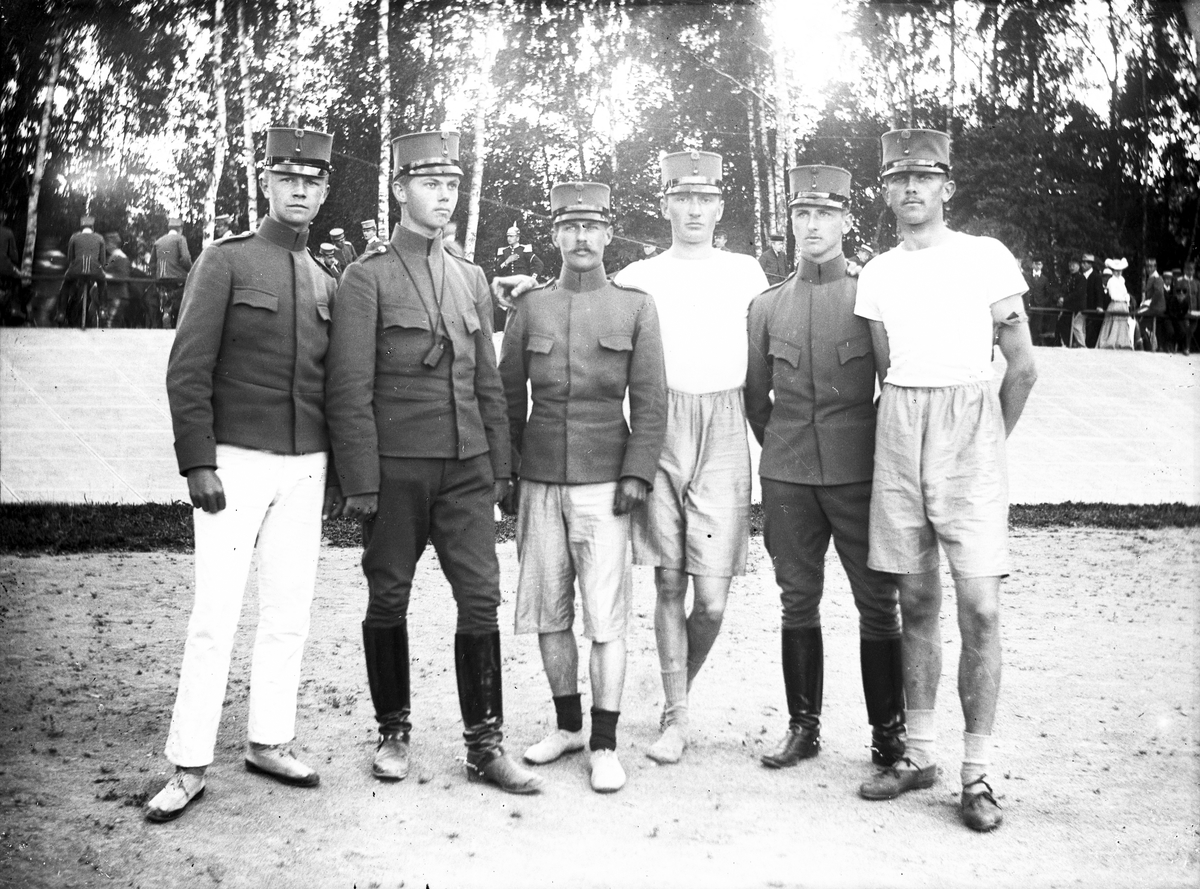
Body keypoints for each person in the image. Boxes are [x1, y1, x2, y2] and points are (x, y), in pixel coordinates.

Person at [493, 150, 770, 765]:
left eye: (705, 199)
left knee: (712, 598)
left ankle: (671, 694)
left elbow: (769, 336)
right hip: (651, 431)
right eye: (683, 198)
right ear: (666, 205)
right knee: (666, 580)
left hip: (722, 422)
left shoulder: (746, 272)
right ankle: (671, 715)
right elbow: (575, 298)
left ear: (719, 206)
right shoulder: (641, 277)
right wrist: (518, 287)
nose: (694, 209)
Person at [325, 129, 542, 795]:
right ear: (400, 190)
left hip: (467, 467)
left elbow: (486, 381)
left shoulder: (471, 278)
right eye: (429, 184)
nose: (443, 196)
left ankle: (485, 745)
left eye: (451, 185)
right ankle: (393, 731)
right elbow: (349, 388)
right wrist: (361, 479)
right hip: (398, 469)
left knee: (480, 596)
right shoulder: (366, 277)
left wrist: (500, 466)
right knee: (389, 593)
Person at [146, 126, 340, 823]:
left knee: (289, 611)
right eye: (287, 178)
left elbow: (332, 383)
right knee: (216, 614)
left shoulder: (325, 277)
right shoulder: (224, 260)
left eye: (311, 181)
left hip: (306, 464)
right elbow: (188, 366)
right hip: (234, 462)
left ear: (324, 190)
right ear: (266, 183)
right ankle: (189, 762)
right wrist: (198, 460)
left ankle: (268, 739)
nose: (299, 190)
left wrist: (336, 471)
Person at [853, 128, 1037, 833]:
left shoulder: (986, 256)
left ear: (946, 187)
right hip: (902, 422)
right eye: (898, 179)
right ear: (886, 191)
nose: (910, 188)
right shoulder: (877, 272)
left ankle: (977, 773)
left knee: (980, 608)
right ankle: (921, 755)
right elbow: (886, 369)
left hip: (971, 428)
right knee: (917, 598)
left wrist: (986, 446)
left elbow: (1022, 368)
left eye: (924, 177)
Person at [499, 181, 667, 793]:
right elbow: (505, 396)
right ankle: (568, 726)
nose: (581, 238)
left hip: (607, 483)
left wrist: (637, 473)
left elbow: (650, 400)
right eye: (569, 227)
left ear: (608, 234)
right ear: (554, 236)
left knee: (605, 618)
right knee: (548, 612)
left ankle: (604, 743)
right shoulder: (531, 307)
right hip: (540, 479)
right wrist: (507, 471)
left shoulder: (634, 307)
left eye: (591, 227)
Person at [746, 164, 905, 778]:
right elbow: (756, 399)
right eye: (802, 214)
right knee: (797, 601)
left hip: (859, 475)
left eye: (825, 214)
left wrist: (862, 455)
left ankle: (888, 739)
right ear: (790, 222)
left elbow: (890, 385)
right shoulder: (766, 306)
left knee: (878, 604)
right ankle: (802, 728)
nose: (812, 225)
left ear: (845, 221)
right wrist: (784, 454)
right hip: (788, 477)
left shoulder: (869, 299)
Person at [58, 214, 107, 327]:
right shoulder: (100, 238)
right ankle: (103, 310)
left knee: (65, 285)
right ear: (92, 227)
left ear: (81, 227)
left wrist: (75, 266)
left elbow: (70, 258)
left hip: (76, 270)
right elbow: (103, 260)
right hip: (95, 270)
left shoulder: (74, 237)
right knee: (102, 283)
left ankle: (61, 313)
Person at [494, 224, 543, 331]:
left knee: (523, 311)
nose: (509, 238)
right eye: (508, 236)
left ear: (517, 237)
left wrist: (532, 279)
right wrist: (507, 261)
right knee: (503, 310)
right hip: (508, 287)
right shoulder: (504, 251)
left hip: (522, 286)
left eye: (511, 236)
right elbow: (498, 270)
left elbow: (539, 264)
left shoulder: (524, 250)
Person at [151, 217, 192, 328]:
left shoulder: (158, 241)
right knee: (192, 286)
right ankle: (170, 298)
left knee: (167, 295)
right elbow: (185, 258)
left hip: (161, 278)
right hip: (177, 276)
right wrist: (190, 270)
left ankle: (167, 312)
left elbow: (152, 263)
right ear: (180, 229)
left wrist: (156, 277)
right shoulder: (180, 239)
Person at [1097, 258, 1134, 349]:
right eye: (1116, 270)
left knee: (1122, 325)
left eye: (1120, 270)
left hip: (1123, 305)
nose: (1118, 272)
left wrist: (1127, 298)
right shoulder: (1111, 281)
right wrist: (1123, 298)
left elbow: (1125, 293)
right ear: (1113, 271)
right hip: (1116, 304)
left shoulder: (1122, 280)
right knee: (1114, 324)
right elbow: (1113, 295)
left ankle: (1122, 343)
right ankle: (1110, 343)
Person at [102, 232, 131, 327]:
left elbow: (122, 277)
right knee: (110, 325)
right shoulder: (114, 257)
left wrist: (105, 276)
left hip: (118, 296)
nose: (106, 246)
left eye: (107, 243)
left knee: (111, 325)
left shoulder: (120, 257)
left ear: (113, 244)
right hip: (113, 296)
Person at [1137, 258, 1166, 352]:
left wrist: (1148, 304)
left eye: (1151, 266)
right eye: (1147, 266)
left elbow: (1158, 293)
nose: (1149, 269)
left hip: (1156, 306)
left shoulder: (1157, 278)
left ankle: (1145, 344)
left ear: (1155, 267)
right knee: (1139, 318)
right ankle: (1145, 343)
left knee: (1139, 319)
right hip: (1152, 305)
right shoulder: (1150, 277)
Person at [0, 209, 23, 323]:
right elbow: (14, 255)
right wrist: (15, 262)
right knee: (18, 279)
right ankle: (15, 308)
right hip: (4, 266)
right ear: (3, 220)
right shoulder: (8, 232)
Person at [1025, 258, 1053, 346]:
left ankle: (1035, 344)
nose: (1037, 266)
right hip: (1028, 306)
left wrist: (1042, 302)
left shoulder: (1044, 279)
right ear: (1032, 265)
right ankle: (1026, 345)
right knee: (1026, 325)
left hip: (1039, 307)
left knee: (1037, 326)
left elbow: (1048, 294)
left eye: (1039, 264)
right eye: (1036, 264)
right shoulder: (1027, 276)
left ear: (1042, 266)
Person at [1063, 256, 1087, 347]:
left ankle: (1081, 345)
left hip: (1079, 307)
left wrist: (1065, 299)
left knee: (1077, 326)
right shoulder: (1068, 278)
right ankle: (1070, 344)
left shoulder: (1081, 278)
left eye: (1073, 265)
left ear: (1078, 266)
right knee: (1065, 324)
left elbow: (1078, 293)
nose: (1071, 268)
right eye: (1070, 266)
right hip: (1069, 306)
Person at [1081, 253, 1104, 347]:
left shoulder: (1096, 276)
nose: (1082, 265)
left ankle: (1089, 346)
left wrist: (1099, 305)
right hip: (1082, 307)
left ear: (1090, 264)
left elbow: (1099, 292)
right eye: (1082, 263)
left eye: (1085, 263)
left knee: (1091, 329)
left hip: (1092, 307)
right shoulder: (1081, 275)